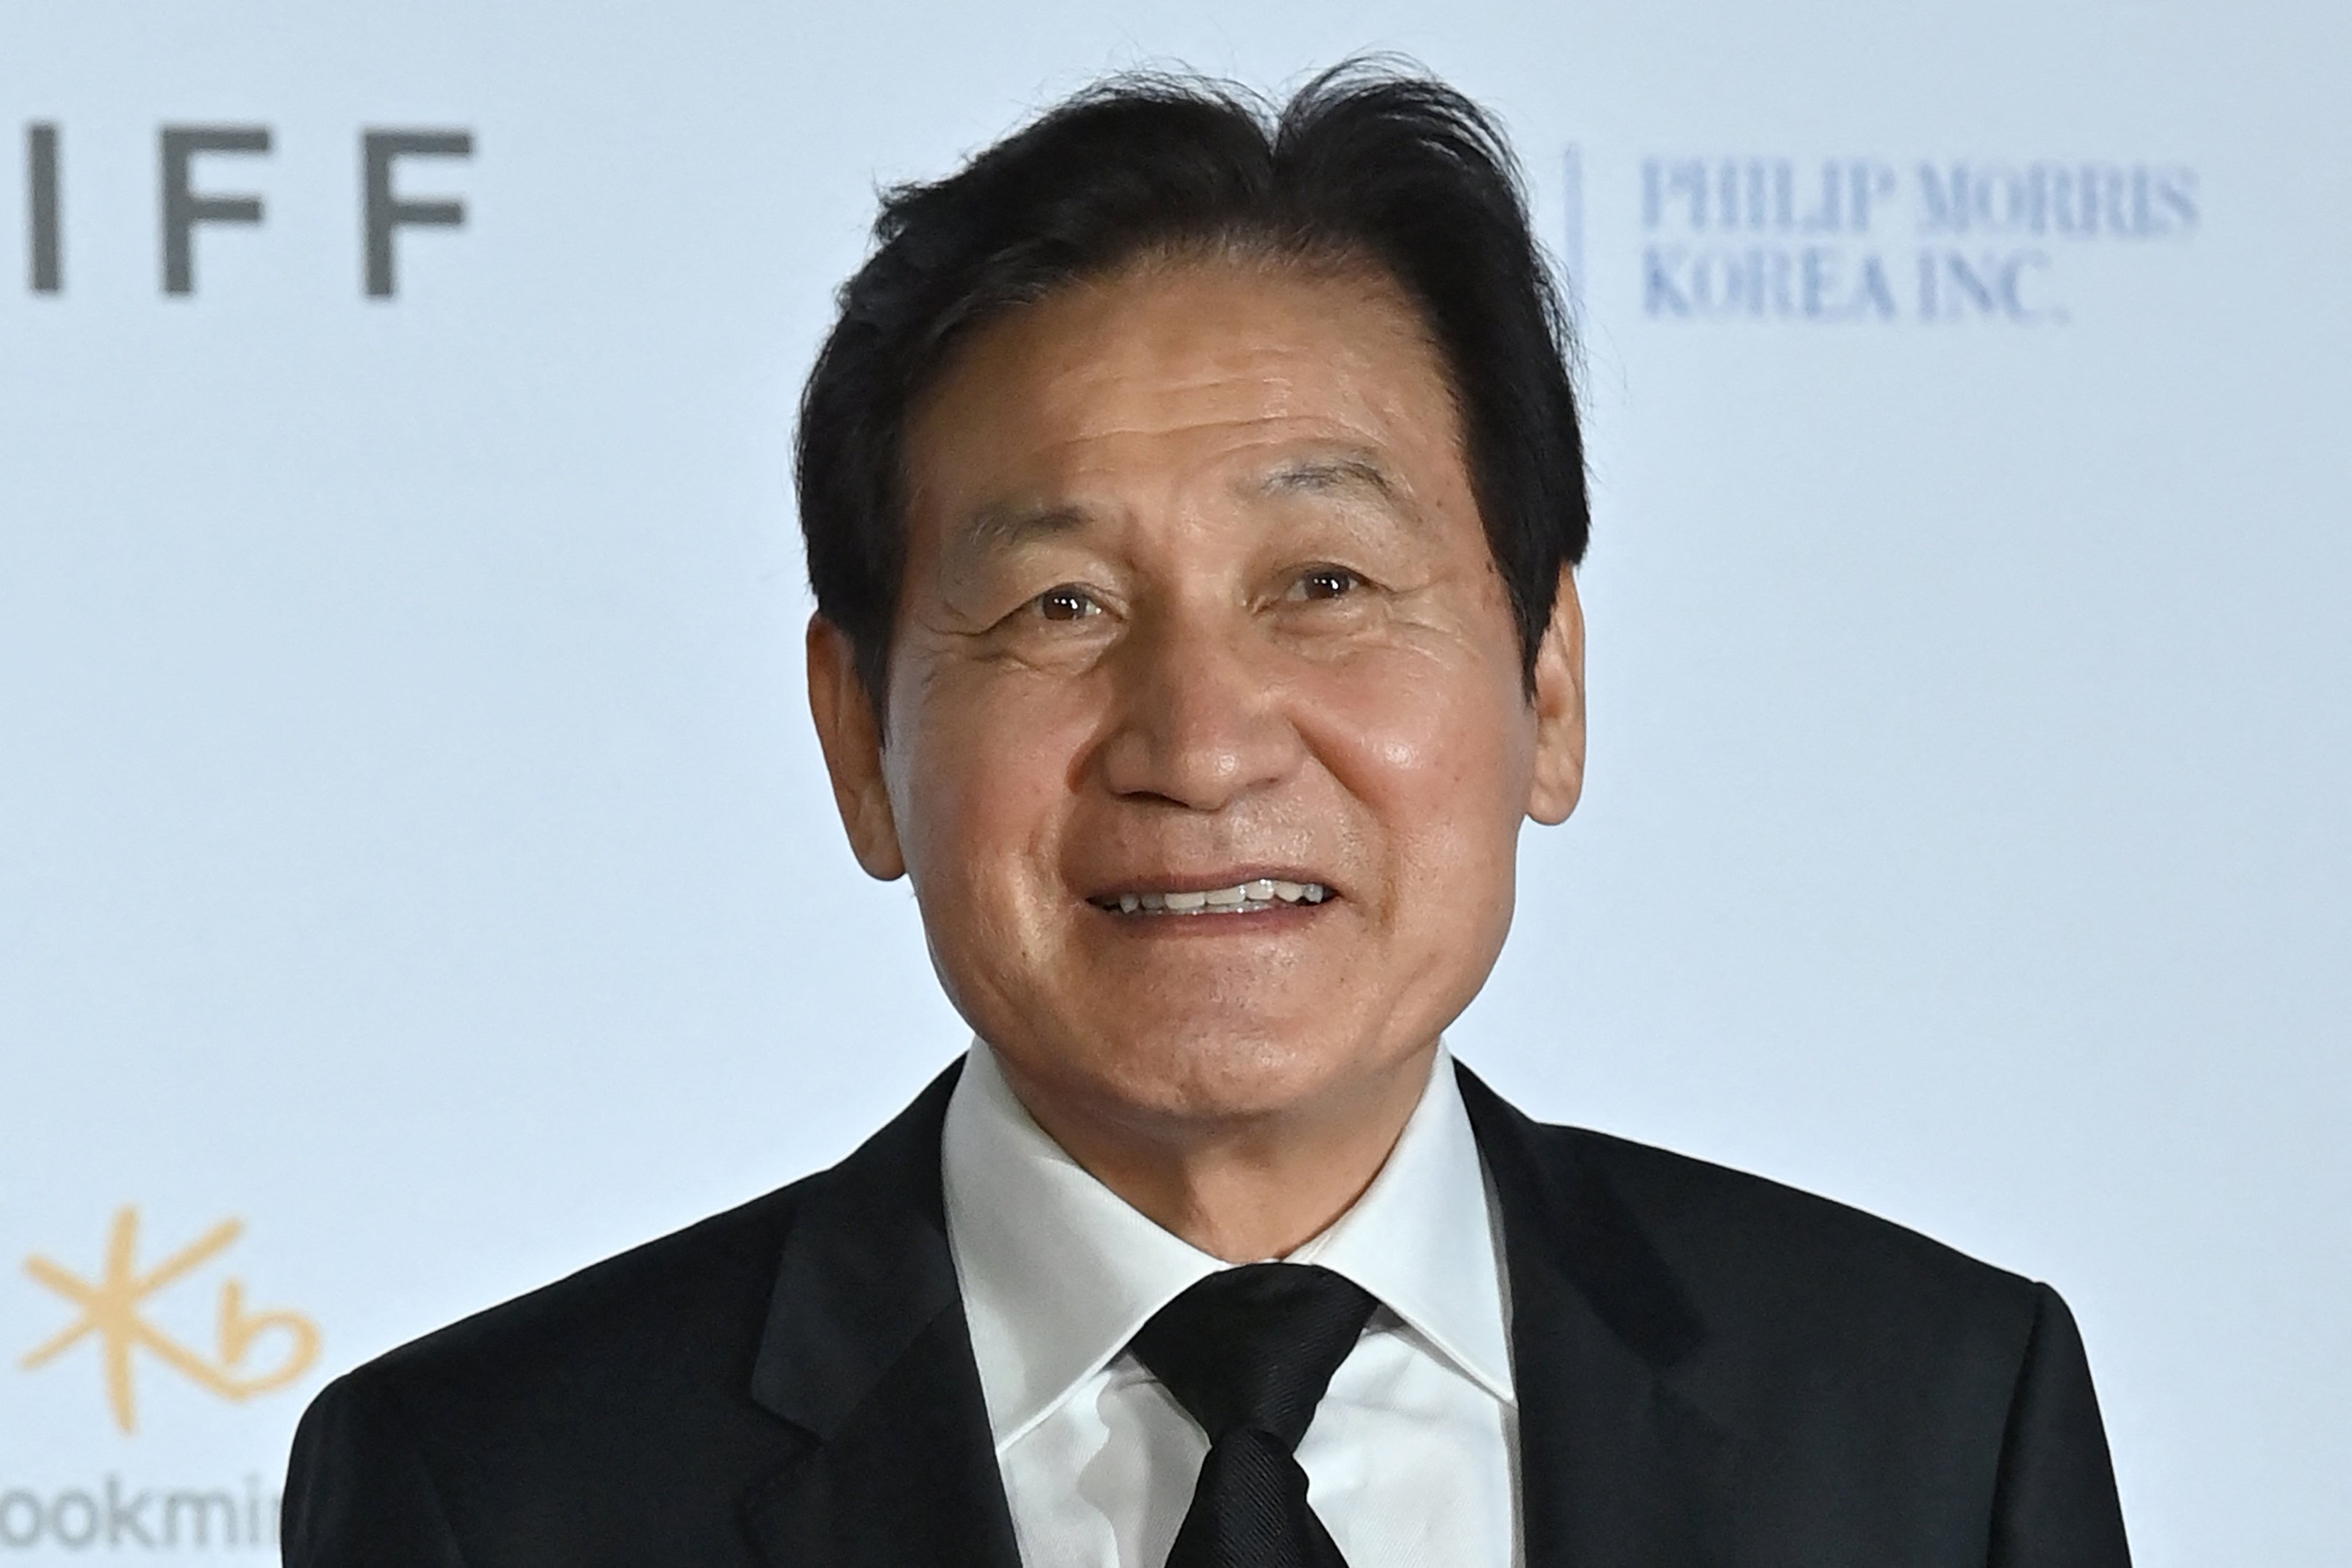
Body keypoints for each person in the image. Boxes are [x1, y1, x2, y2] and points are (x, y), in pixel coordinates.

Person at [281, 64, 2132, 1568]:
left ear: (1548, 686)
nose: (1202, 743)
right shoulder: (495, 1494)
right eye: (1060, 606)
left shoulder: (1933, 1419)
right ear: (858, 736)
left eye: (1325, 582)